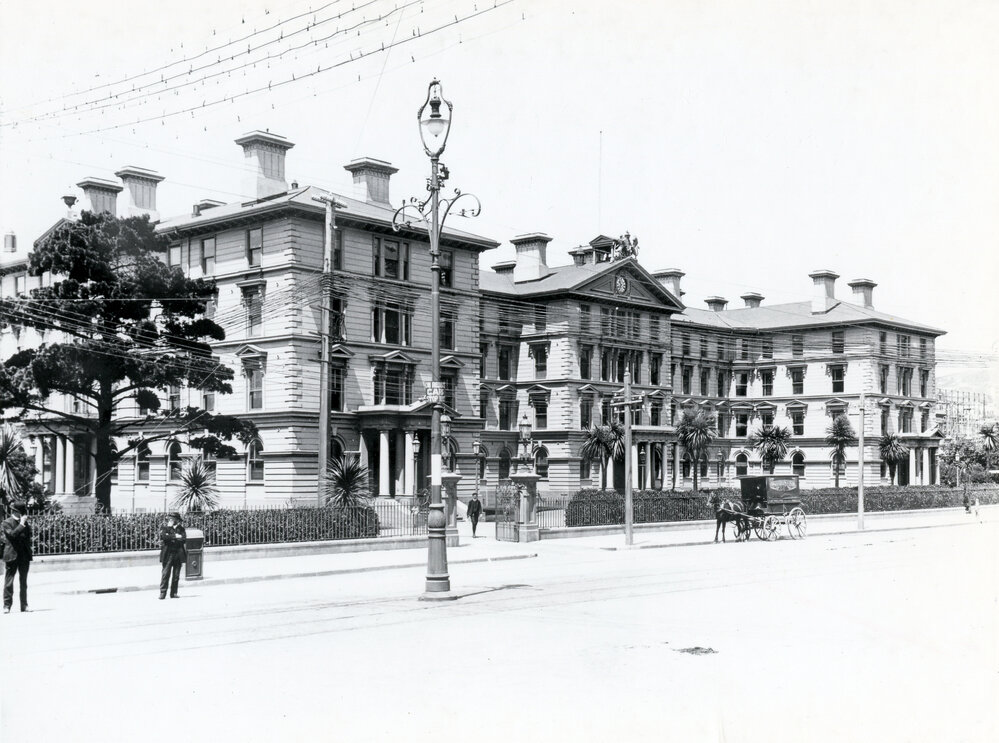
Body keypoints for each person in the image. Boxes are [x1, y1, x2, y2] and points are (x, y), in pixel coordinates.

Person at [3, 501, 33, 614]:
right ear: (16, 512)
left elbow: (27, 536)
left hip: (24, 555)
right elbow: (12, 535)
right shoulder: (6, 523)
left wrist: (23, 524)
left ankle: (24, 605)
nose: (24, 514)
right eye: (22, 512)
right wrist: (21, 524)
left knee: (23, 582)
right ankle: (7, 606)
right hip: (12, 555)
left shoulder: (25, 523)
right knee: (9, 582)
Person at [158, 512, 187, 599]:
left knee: (176, 575)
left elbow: (183, 539)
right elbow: (164, 537)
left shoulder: (181, 529)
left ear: (177, 520)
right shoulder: (165, 528)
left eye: (172, 518)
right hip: (168, 554)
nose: (170, 520)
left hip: (178, 554)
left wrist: (173, 537)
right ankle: (163, 593)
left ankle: (173, 593)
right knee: (165, 574)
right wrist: (175, 536)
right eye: (170, 518)